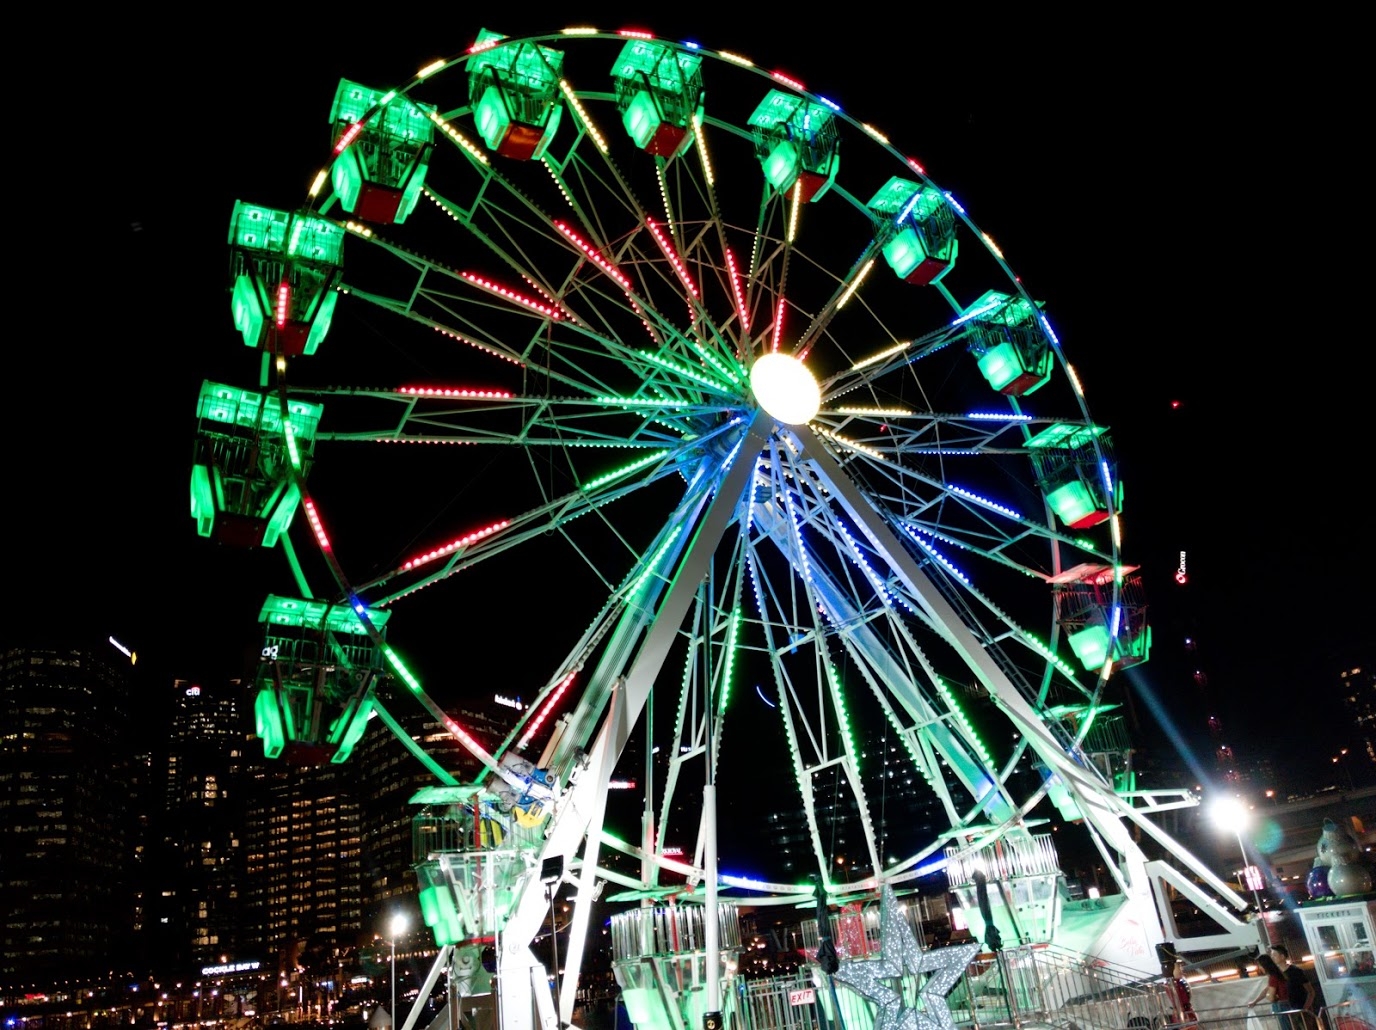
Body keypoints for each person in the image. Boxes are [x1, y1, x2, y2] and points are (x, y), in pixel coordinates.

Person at [1271, 945, 1316, 1030]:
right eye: (1271, 955)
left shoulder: (1295, 971)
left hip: (1299, 1009)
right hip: (1286, 1011)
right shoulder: (1275, 974)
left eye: (1274, 955)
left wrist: (1305, 1008)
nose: (1272, 957)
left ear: (1282, 956)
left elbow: (1311, 991)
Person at [1249, 953, 1290, 1028]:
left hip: (1281, 1006)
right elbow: (1267, 989)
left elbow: (1270, 997)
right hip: (1287, 1004)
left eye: (1260, 966)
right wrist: (1255, 1001)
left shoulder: (1273, 978)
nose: (1260, 968)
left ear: (1265, 966)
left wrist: (1270, 996)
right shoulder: (1279, 974)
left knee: (1286, 1027)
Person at [1165, 957, 1198, 1028]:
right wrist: (1180, 1010)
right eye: (1178, 968)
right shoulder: (1171, 985)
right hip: (1182, 1010)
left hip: (1187, 1009)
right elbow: (1176, 998)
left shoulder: (1180, 982)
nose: (1181, 969)